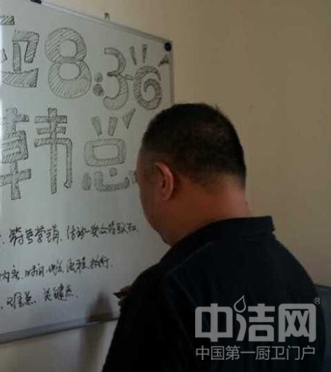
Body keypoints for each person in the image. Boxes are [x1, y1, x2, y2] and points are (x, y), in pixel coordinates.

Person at [103, 103, 325, 371]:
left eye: (140, 184)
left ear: (164, 181)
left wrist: (147, 310)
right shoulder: (298, 281)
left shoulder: (167, 291)